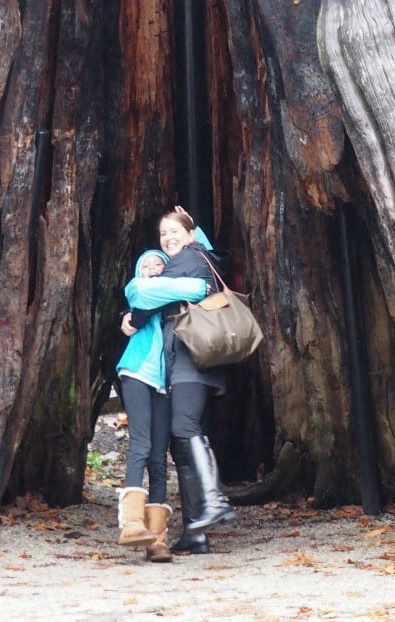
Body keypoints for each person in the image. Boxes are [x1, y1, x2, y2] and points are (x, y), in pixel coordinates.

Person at [122, 207, 235, 555]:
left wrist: (134, 315)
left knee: (185, 428)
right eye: (163, 234)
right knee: (181, 443)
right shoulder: (196, 253)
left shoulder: (187, 261)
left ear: (189, 236)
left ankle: (214, 501)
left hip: (192, 358)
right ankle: (195, 533)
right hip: (180, 361)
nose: (168, 238)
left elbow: (142, 293)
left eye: (175, 231)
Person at [115, 249, 208, 562]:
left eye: (159, 264)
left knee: (158, 455)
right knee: (140, 444)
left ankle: (157, 538)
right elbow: (136, 311)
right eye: (147, 265)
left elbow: (202, 277)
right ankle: (131, 523)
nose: (153, 269)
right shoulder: (138, 297)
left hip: (165, 382)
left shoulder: (172, 304)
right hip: (138, 374)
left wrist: (194, 236)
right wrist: (125, 317)